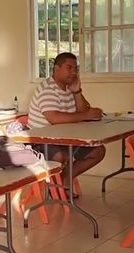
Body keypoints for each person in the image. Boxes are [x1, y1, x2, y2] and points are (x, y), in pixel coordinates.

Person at [27, 52, 106, 182]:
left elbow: (83, 111)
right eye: (69, 68)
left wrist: (77, 91)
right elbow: (54, 118)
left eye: (76, 69)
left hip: (66, 139)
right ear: (56, 69)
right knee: (60, 156)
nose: (73, 72)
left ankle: (64, 180)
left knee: (98, 151)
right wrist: (86, 114)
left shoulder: (69, 87)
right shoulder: (47, 89)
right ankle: (55, 187)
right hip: (43, 142)